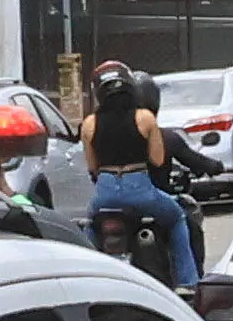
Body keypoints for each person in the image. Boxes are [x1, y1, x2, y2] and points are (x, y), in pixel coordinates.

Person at [83, 62, 201, 286]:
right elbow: (157, 159)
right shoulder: (145, 118)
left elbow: (92, 166)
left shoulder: (89, 123)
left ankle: (89, 279)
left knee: (90, 223)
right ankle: (189, 283)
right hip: (139, 187)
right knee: (177, 217)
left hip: (105, 191)